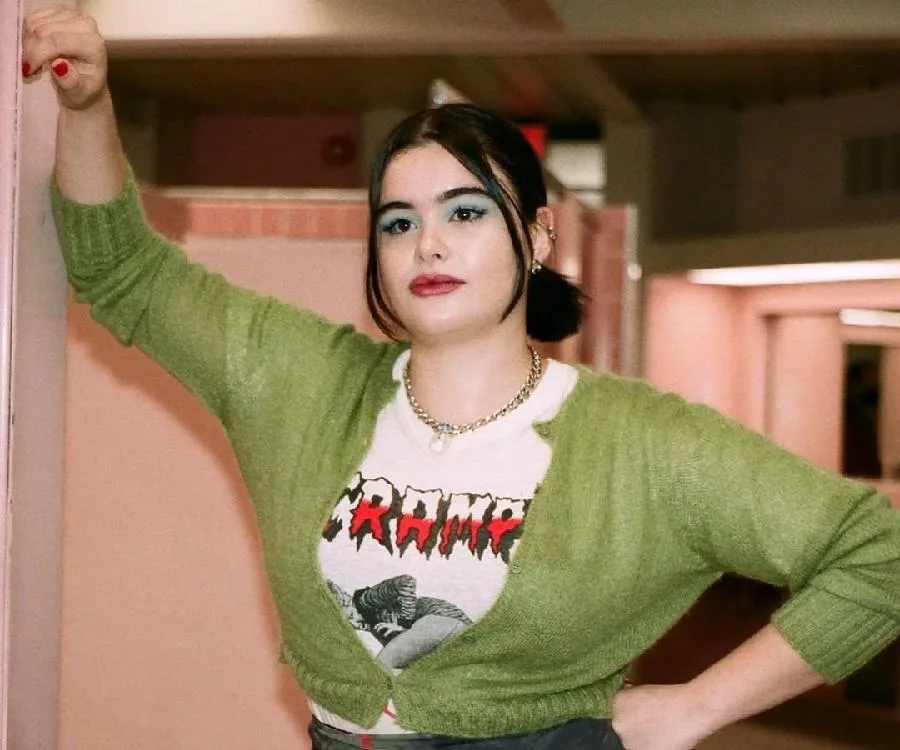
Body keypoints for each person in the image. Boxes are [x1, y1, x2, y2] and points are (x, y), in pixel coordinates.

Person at [21, 6, 900, 750]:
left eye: (467, 212)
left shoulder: (645, 445)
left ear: (540, 237)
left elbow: (878, 556)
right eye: (399, 222)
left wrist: (694, 708)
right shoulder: (297, 380)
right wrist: (90, 101)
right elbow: (121, 270)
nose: (428, 244)